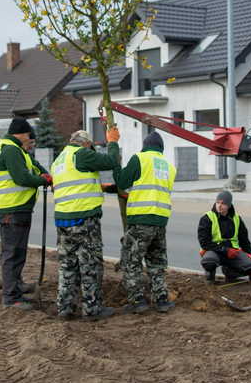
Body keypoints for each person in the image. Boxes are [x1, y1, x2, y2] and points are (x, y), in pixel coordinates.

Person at [50, 126, 122, 321]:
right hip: (84, 220)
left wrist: (99, 186)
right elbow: (111, 161)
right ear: (86, 144)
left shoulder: (59, 160)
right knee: (90, 264)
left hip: (63, 221)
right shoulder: (81, 154)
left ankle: (65, 307)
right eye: (91, 147)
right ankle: (92, 309)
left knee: (67, 265)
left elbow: (72, 185)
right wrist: (113, 141)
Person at [0, 117, 50, 310]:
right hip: (11, 209)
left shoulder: (15, 150)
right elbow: (22, 178)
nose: (30, 143)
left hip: (16, 208)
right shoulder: (11, 150)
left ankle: (17, 285)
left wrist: (44, 175)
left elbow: (35, 167)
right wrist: (42, 181)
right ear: (21, 134)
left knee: (17, 251)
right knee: (12, 253)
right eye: (29, 139)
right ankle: (11, 297)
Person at [114, 130, 177, 313]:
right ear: (161, 149)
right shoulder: (169, 166)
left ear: (145, 146)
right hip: (160, 221)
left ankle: (137, 301)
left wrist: (117, 166)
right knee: (156, 262)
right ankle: (161, 300)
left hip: (141, 219)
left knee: (131, 261)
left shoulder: (139, 159)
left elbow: (122, 181)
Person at [198, 190, 251, 282]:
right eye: (217, 202)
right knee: (209, 262)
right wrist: (225, 250)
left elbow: (244, 241)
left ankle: (230, 272)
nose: (219, 206)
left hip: (233, 252)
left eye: (223, 203)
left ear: (229, 205)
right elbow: (204, 242)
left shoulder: (237, 218)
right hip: (215, 250)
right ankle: (210, 273)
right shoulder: (207, 218)